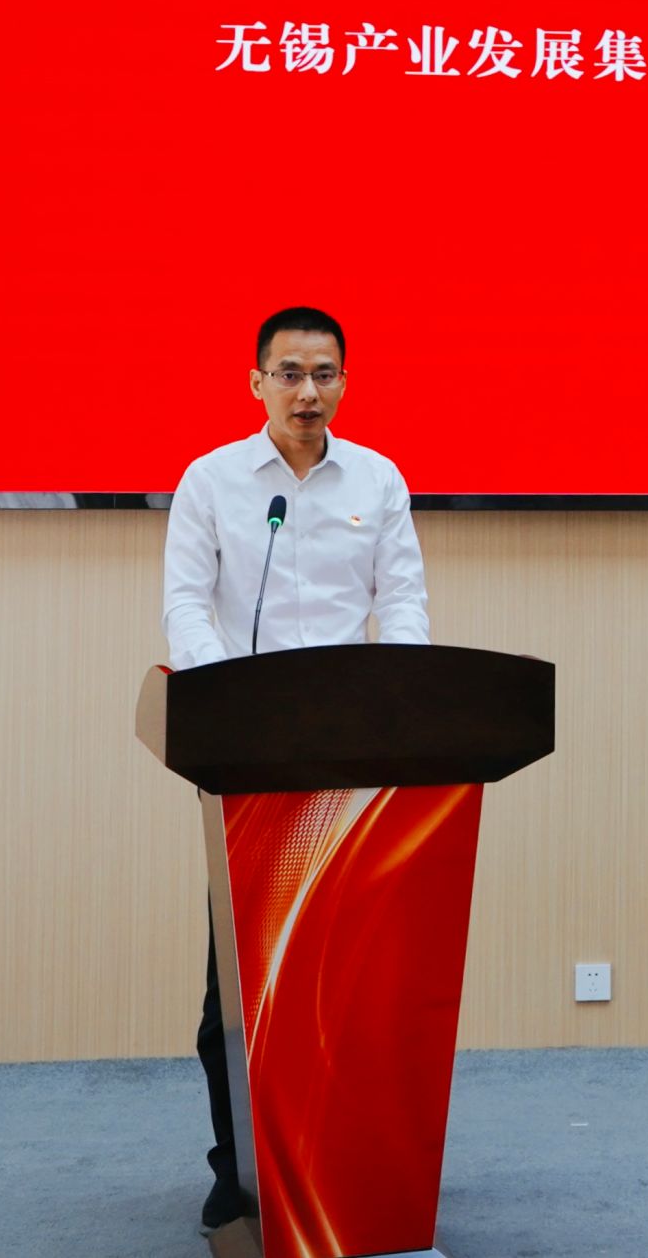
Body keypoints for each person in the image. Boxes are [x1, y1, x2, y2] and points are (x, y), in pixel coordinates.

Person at [161, 304, 430, 1232]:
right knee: (241, 989)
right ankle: (237, 1169)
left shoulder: (379, 479)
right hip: (250, 757)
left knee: (348, 983)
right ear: (257, 382)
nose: (306, 391)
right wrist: (231, 702)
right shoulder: (212, 481)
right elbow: (187, 606)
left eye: (323, 374)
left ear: (344, 382)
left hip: (356, 757)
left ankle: (346, 1163)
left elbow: (403, 603)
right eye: (289, 373)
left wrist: (403, 702)